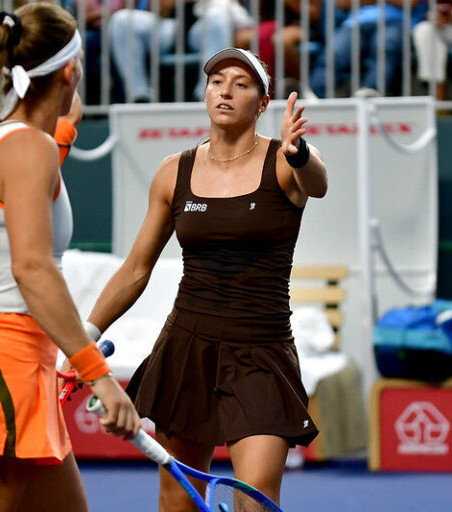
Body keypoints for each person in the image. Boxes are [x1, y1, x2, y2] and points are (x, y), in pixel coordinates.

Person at [82, 48, 327, 509]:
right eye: (217, 81)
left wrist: (300, 154)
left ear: (262, 101)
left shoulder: (285, 161)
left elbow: (318, 181)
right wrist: (86, 336)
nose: (226, 91)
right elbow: (137, 268)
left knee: (253, 500)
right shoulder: (173, 171)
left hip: (261, 352)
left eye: (241, 83)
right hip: (186, 350)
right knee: (177, 500)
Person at [0, 4, 140, 512]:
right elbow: (31, 268)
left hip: (5, 360)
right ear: (70, 71)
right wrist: (99, 377)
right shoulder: (26, 150)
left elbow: (17, 206)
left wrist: (59, 134)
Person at [108, 0, 253, 102]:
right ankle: (139, 97)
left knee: (216, 16)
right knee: (122, 19)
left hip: (202, 26)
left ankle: (207, 93)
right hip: (168, 27)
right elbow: (159, 8)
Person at [310, 0, 427, 98]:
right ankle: (316, 97)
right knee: (332, 54)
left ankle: (370, 95)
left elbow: (409, 2)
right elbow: (342, 3)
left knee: (384, 50)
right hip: (355, 23)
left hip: (395, 23)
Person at [234, 0, 324, 98]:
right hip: (271, 25)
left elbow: (315, 15)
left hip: (302, 26)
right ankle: (254, 89)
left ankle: (303, 87)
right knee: (242, 38)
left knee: (283, 40)